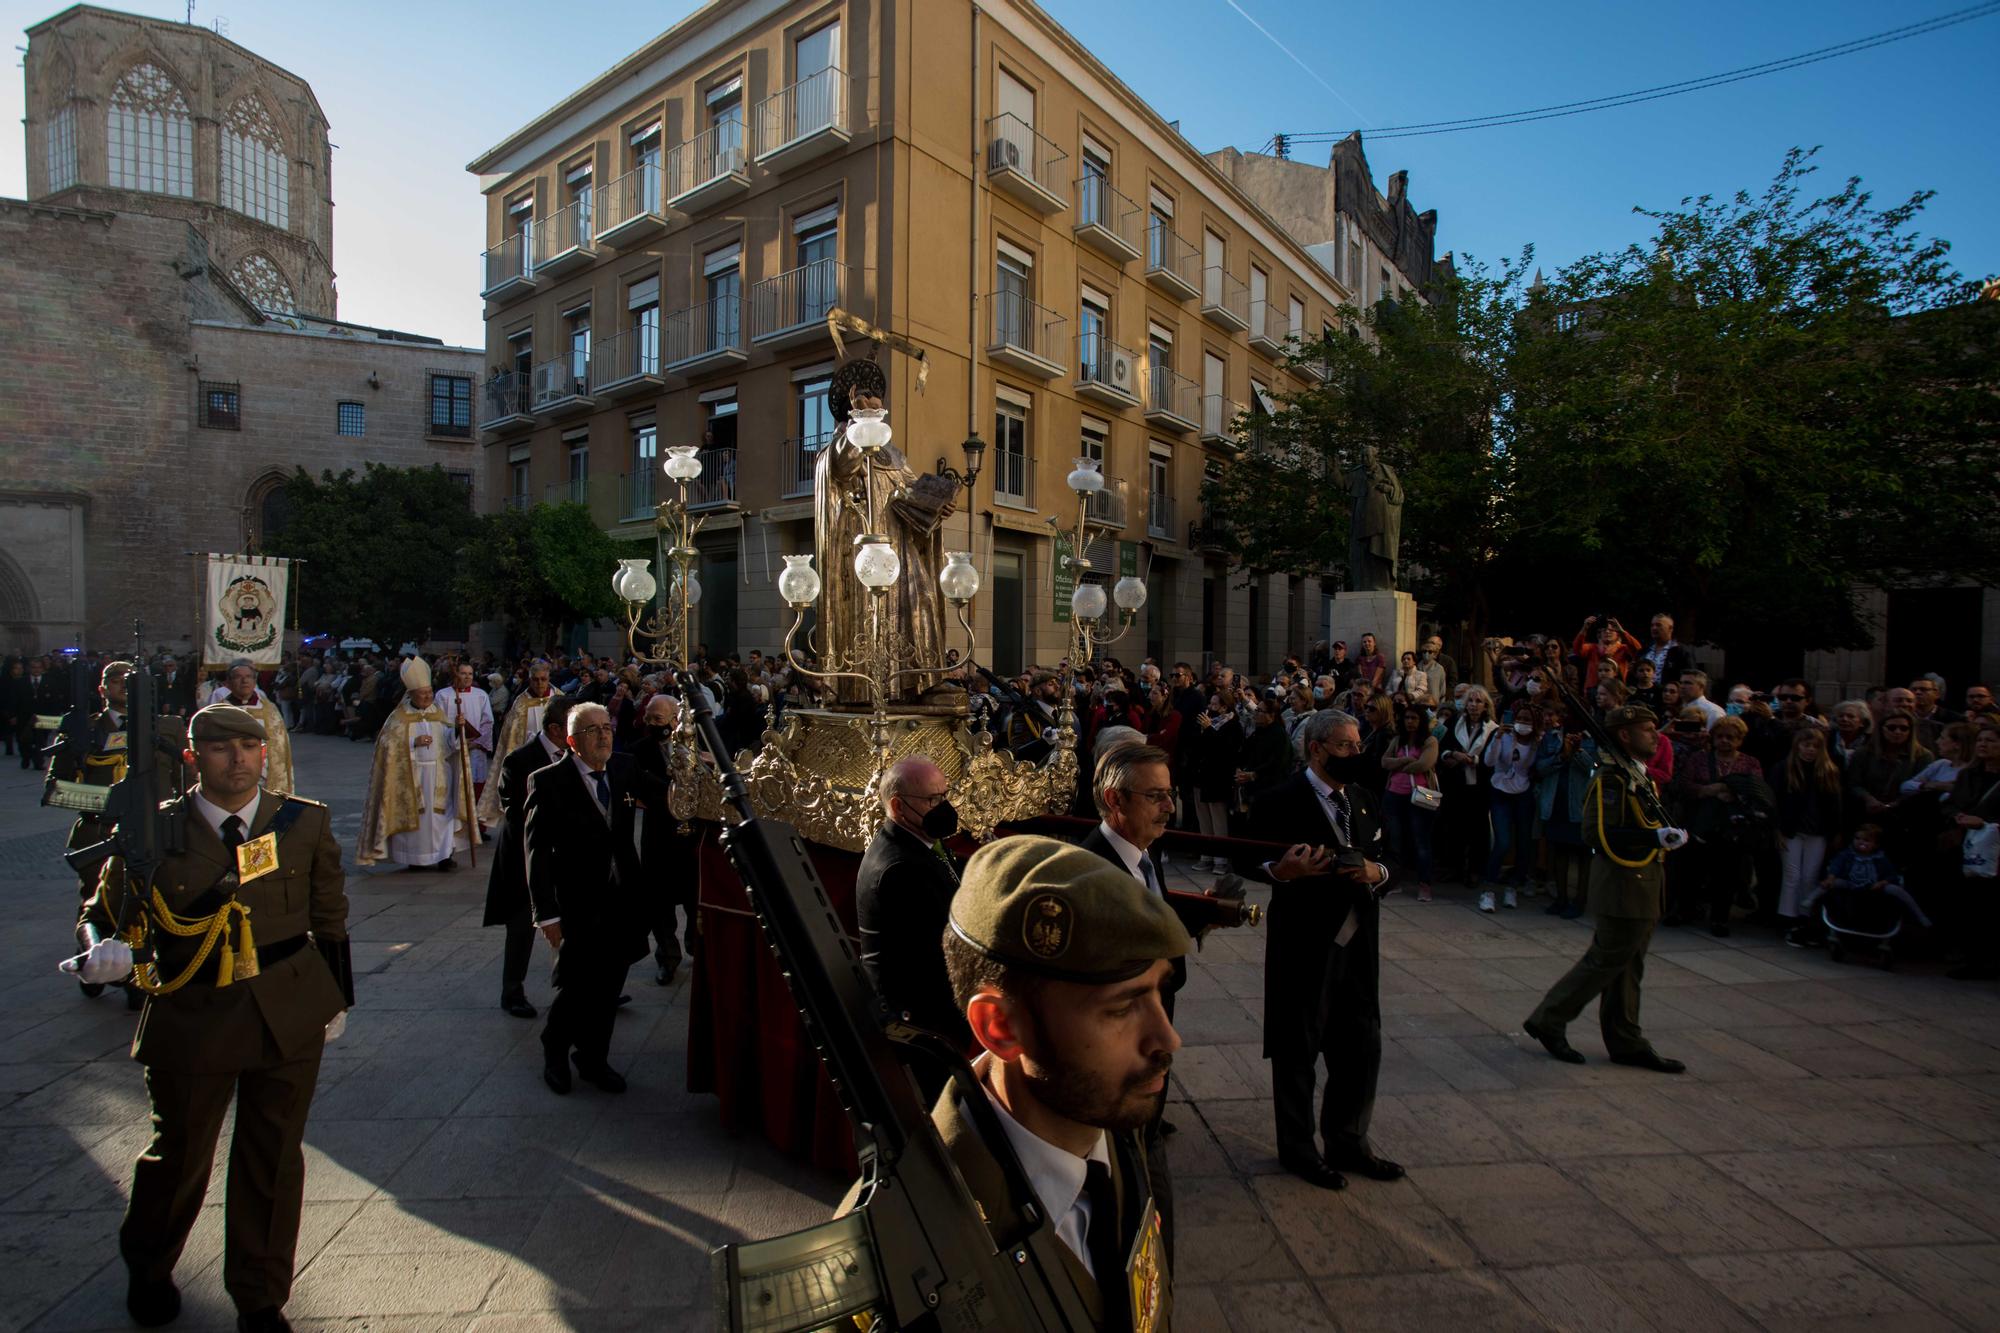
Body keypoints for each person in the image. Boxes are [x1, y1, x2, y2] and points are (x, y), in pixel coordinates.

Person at [69, 702, 351, 1333]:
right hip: (192, 1010)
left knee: (273, 1160)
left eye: (249, 749)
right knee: (180, 1156)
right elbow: (102, 910)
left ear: (265, 753)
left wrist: (336, 1000)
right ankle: (149, 1263)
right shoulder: (155, 829)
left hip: (288, 1010)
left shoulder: (301, 823)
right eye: (223, 750)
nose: (239, 760)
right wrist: (101, 949)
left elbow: (329, 916)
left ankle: (260, 1296)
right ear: (195, 758)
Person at [915, 835, 1185, 1330]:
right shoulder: (912, 1243)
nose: (1167, 1039)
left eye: (1158, 992)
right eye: (1122, 1007)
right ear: (1001, 1027)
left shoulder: (1109, 1120)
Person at [1247, 710, 1403, 1191]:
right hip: (1304, 942)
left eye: (1358, 745)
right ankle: (1298, 1148)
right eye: (1346, 746)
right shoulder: (1278, 799)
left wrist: (1376, 874)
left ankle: (1349, 1140)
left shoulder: (1362, 797)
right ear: (1316, 749)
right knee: (1298, 1046)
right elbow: (1249, 856)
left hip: (1359, 941)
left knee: (1362, 1044)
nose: (1356, 754)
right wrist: (1282, 871)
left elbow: (1389, 858)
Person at [1524, 705, 1687, 1073]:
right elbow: (1596, 833)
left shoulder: (1638, 775)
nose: (1655, 735)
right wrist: (1653, 836)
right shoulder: (1611, 779)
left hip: (1642, 885)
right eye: (1647, 729)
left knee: (1628, 966)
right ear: (1625, 735)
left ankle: (1626, 1039)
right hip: (1622, 884)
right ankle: (1549, 1019)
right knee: (1605, 962)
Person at [524, 702, 661, 1094]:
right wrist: (545, 914)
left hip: (622, 898)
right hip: (576, 901)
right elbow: (536, 853)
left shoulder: (624, 767)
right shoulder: (548, 781)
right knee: (578, 982)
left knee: (609, 984)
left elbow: (665, 795)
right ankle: (555, 1047)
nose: (603, 736)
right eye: (591, 731)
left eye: (606, 727)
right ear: (571, 741)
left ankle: (592, 1058)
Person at [855, 757, 970, 1100]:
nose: (943, 807)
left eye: (945, 795)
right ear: (897, 806)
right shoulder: (900, 868)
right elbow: (941, 947)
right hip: (920, 1016)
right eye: (932, 800)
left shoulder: (916, 839)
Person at [483, 697, 574, 1019]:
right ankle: (512, 992)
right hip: (527, 858)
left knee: (575, 925)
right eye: (575, 727)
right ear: (555, 729)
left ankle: (576, 986)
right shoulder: (520, 760)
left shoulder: (576, 755)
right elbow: (515, 811)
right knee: (522, 925)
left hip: (566, 858)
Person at [355, 657, 469, 871]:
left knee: (440, 818)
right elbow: (386, 745)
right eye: (422, 693)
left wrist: (458, 730)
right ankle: (415, 859)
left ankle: (445, 856)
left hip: (439, 774)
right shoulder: (398, 718)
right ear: (411, 694)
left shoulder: (439, 714)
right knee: (417, 818)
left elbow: (450, 745)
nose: (427, 697)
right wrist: (412, 742)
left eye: (429, 692)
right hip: (411, 775)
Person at [1672, 713, 1768, 937]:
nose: (1725, 741)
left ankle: (1719, 917)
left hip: (1732, 827)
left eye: (1731, 737)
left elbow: (1757, 789)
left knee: (1726, 873)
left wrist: (1732, 793)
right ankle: (1685, 910)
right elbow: (1684, 784)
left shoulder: (1749, 762)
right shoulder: (1698, 759)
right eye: (1721, 736)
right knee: (1692, 869)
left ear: (1740, 740)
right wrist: (1707, 790)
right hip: (1701, 822)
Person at [633, 694, 701, 985]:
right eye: (648, 717)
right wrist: (672, 789)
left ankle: (696, 946)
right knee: (659, 901)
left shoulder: (698, 745)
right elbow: (639, 782)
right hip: (659, 836)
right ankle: (667, 956)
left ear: (676, 720)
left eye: (657, 719)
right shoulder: (639, 751)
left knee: (694, 897)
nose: (651, 723)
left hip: (692, 836)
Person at [1769, 726, 1845, 926]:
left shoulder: (1828, 771)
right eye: (1806, 745)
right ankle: (1787, 916)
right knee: (1792, 874)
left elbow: (1835, 804)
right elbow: (1774, 801)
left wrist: (1835, 831)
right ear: (1797, 746)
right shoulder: (1784, 769)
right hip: (1791, 829)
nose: (1810, 750)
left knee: (1810, 875)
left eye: (1815, 746)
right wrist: (1776, 828)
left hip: (1817, 831)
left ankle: (1806, 914)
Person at [476, 660, 562, 828]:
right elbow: (510, 741)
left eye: (543, 679)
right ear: (529, 679)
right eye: (535, 679)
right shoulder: (521, 703)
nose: (539, 683)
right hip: (529, 764)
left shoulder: (559, 699)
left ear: (549, 678)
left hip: (556, 761)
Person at [1534, 705, 1598, 919]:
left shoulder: (1592, 740)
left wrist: (1577, 752)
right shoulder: (1551, 738)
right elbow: (1540, 767)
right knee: (1558, 851)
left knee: (1582, 854)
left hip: (1580, 804)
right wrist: (1562, 755)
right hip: (1555, 802)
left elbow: (1593, 769)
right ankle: (1561, 898)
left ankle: (1580, 900)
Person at [1481, 703, 1541, 911]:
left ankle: (1513, 886)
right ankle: (1488, 888)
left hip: (1522, 794)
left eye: (1528, 720)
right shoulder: (1504, 737)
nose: (1523, 723)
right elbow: (1489, 762)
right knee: (1503, 842)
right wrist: (1497, 738)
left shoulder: (1536, 743)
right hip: (1500, 791)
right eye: (1520, 719)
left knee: (1524, 843)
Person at [205, 660, 296, 795]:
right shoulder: (218, 711)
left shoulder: (269, 710)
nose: (244, 681)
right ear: (228, 683)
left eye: (248, 677)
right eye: (238, 677)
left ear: (254, 681)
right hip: (232, 770)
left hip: (265, 773)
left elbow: (279, 745)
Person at [1380, 704, 1440, 902]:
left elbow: (1424, 764)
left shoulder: (1429, 741)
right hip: (1394, 794)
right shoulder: (1398, 740)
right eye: (1407, 718)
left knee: (1421, 841)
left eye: (1414, 718)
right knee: (1395, 841)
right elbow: (1385, 762)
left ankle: (1424, 884)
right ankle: (1395, 881)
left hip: (1421, 796)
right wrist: (1405, 761)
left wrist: (1401, 764)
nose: (1410, 722)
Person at [437, 661, 496, 838]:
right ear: (455, 675)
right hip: (452, 752)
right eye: (463, 673)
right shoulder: (443, 695)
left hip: (475, 749)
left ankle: (478, 827)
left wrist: (476, 742)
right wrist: (456, 742)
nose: (468, 677)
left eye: (470, 674)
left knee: (476, 786)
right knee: (455, 786)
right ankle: (456, 826)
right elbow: (439, 723)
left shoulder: (481, 695)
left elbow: (487, 722)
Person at [1190, 688, 1244, 868]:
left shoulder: (1233, 724)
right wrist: (1202, 730)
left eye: (1214, 704)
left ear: (1224, 707)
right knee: (1203, 817)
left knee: (1218, 818)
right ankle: (1207, 855)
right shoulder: (1208, 721)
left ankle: (1221, 858)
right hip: (1202, 775)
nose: (1210, 707)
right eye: (1210, 703)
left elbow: (1226, 749)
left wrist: (1209, 730)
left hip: (1219, 776)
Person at [1572, 615, 1640, 690]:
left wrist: (1622, 631)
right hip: (1593, 692)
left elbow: (1638, 650)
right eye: (1604, 630)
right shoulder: (1592, 648)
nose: (1607, 631)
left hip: (1616, 690)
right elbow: (1577, 650)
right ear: (1599, 634)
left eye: (1612, 630)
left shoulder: (1623, 648)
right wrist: (1584, 628)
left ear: (1618, 634)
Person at [1638, 613, 1694, 685]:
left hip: (1668, 694)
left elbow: (1690, 677)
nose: (1654, 628)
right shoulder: (1644, 650)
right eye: (1652, 625)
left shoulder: (1680, 651)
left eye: (1658, 625)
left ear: (1670, 628)